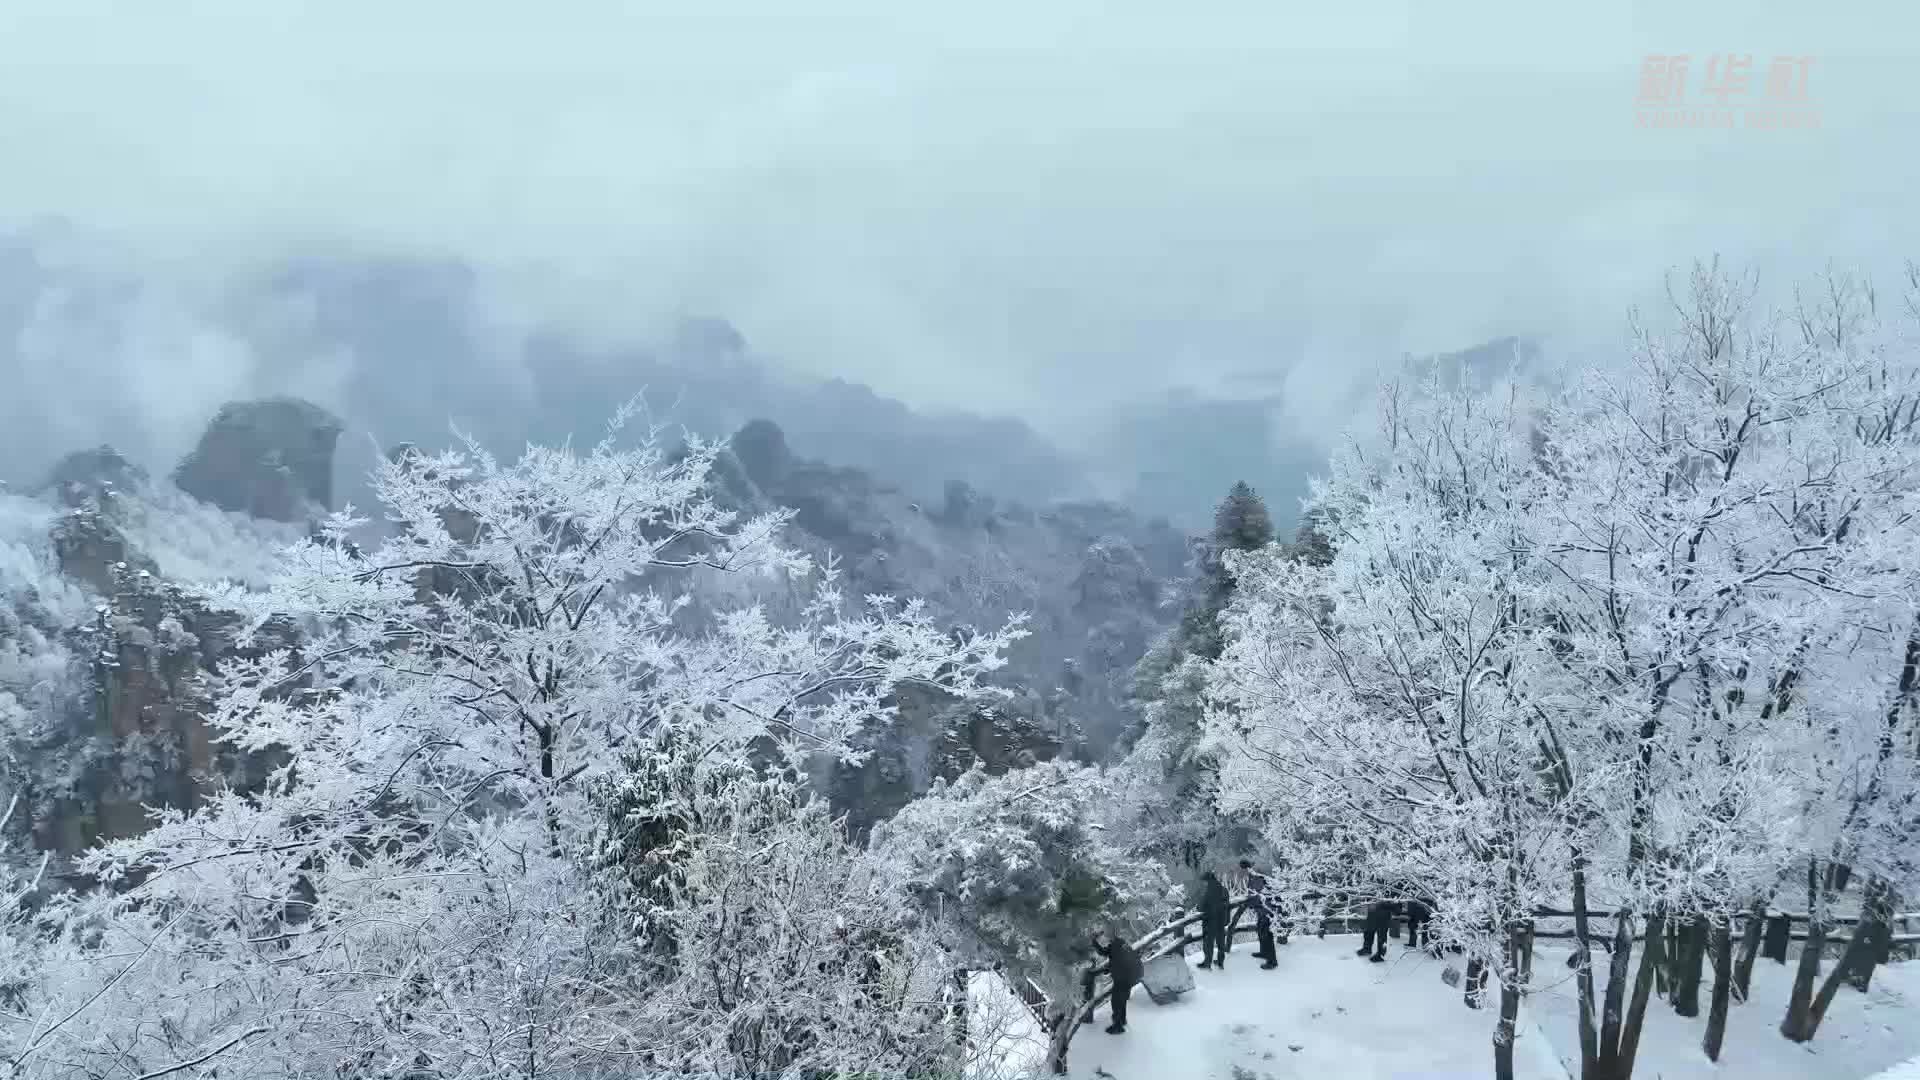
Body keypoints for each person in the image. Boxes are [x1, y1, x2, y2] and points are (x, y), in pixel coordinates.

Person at [1090, 929, 1143, 1034]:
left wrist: (1093, 942)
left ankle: (1118, 1026)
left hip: (1123, 978)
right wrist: (1109, 968)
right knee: (1121, 1000)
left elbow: (1105, 953)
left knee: (1116, 1001)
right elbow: (1114, 957)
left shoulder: (1115, 946)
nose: (1105, 940)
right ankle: (1122, 1020)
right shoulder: (1121, 943)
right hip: (1131, 976)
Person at [1238, 859, 1279, 969]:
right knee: (1261, 929)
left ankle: (1272, 961)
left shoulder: (1256, 875)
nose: (1244, 871)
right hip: (1263, 908)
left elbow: (1257, 893)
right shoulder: (1255, 872)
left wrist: (1250, 902)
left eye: (1243, 868)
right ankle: (1264, 952)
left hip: (1266, 908)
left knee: (1266, 933)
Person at [1197, 871, 1231, 969]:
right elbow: (1227, 905)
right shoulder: (1223, 889)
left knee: (1208, 943)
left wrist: (1198, 908)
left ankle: (1207, 962)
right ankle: (1220, 962)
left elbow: (1202, 906)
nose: (1203, 883)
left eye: (1204, 881)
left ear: (1207, 880)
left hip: (1210, 920)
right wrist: (1226, 920)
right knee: (1220, 943)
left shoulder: (1208, 890)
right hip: (1221, 920)